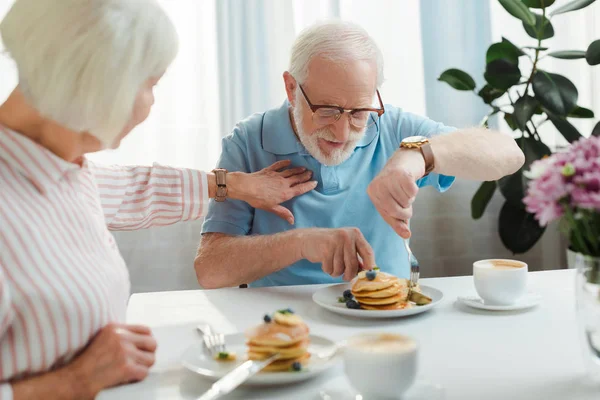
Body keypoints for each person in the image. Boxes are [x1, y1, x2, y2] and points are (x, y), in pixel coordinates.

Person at [0, 1, 316, 398]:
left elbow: (137, 189)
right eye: (150, 84)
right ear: (99, 83)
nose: (152, 103)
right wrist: (76, 380)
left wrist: (234, 185)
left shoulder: (62, 168)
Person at [195, 21, 525, 289]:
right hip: (285, 327)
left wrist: (417, 155)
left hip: (386, 317)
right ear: (292, 89)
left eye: (358, 112)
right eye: (326, 110)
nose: (341, 134)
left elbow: (509, 154)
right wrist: (300, 243)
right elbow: (209, 270)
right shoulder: (249, 141)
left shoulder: (392, 126)